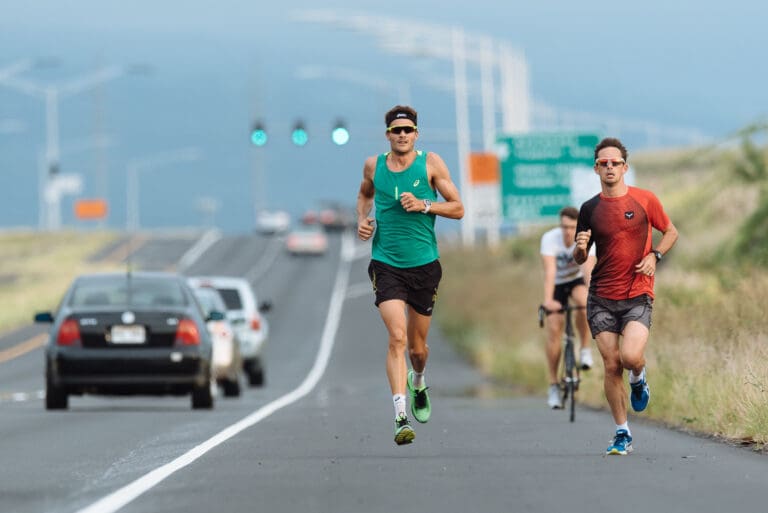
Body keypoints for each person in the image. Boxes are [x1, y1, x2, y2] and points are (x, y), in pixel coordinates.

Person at [356, 105, 464, 446]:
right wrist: (362, 218)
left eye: (408, 130)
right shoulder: (374, 165)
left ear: (416, 134)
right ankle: (400, 415)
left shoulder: (430, 163)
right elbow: (364, 194)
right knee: (397, 338)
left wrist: (425, 205)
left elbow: (458, 208)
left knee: (417, 348)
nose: (402, 135)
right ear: (387, 135)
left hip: (424, 265)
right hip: (386, 263)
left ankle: (418, 380)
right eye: (396, 130)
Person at [574, 137, 678, 456]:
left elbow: (671, 231)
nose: (609, 168)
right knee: (610, 364)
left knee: (631, 358)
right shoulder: (589, 209)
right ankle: (622, 432)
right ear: (596, 168)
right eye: (603, 163)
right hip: (602, 297)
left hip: (637, 293)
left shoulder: (645, 200)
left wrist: (655, 256)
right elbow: (580, 257)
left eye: (615, 163)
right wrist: (579, 250)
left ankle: (639, 377)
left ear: (625, 168)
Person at [540, 206, 597, 409]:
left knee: (583, 302)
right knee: (554, 327)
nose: (567, 231)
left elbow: (587, 270)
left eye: (572, 227)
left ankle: (584, 349)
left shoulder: (586, 237)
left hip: (576, 281)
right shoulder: (550, 239)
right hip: (557, 284)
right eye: (564, 226)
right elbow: (549, 272)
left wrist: (593, 297)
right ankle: (554, 384)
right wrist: (548, 301)